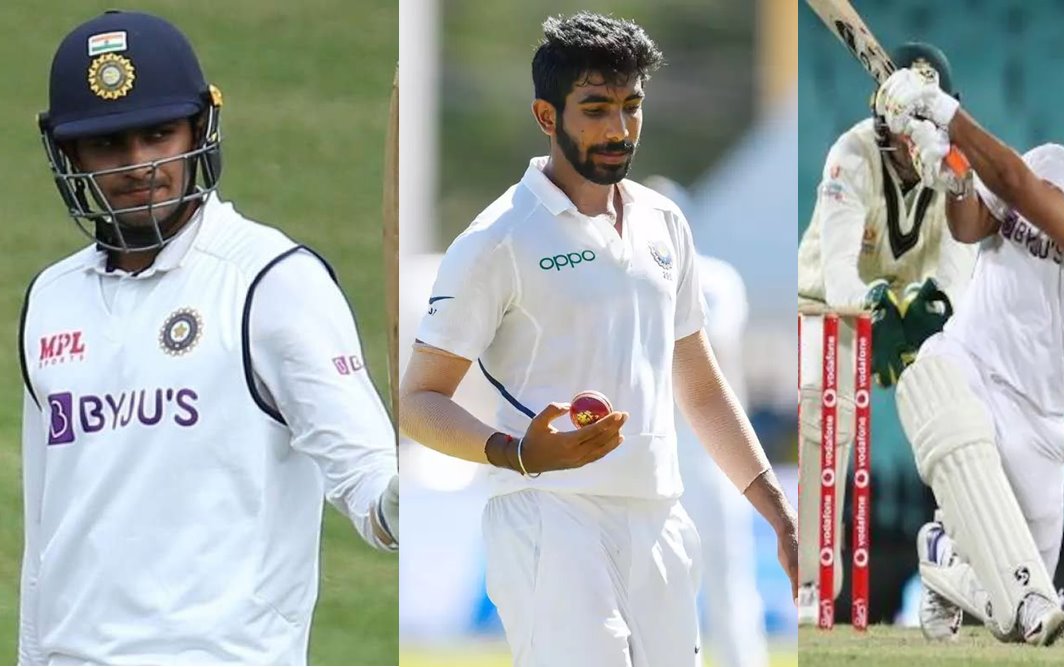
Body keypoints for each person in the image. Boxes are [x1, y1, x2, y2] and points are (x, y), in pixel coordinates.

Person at [395, 12, 798, 667]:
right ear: (547, 116)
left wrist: (776, 510)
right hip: (549, 519)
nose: (618, 128)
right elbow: (418, 399)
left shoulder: (666, 224)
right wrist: (518, 451)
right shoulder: (497, 239)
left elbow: (698, 384)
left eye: (631, 106)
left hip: (659, 517)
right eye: (596, 108)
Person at [20, 11, 399, 665]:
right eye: (108, 143)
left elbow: (371, 491)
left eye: (158, 134)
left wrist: (405, 490)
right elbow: (43, 536)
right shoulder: (51, 300)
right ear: (69, 153)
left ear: (199, 127)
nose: (139, 164)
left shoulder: (273, 282)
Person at [875, 65, 1064, 645]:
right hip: (967, 363)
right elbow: (971, 228)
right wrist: (954, 179)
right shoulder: (1047, 161)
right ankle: (950, 557)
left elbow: (1018, 188)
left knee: (1022, 616)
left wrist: (946, 115)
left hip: (1040, 424)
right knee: (930, 381)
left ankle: (942, 555)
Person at [794, 42, 977, 623]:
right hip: (830, 309)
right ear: (884, 115)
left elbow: (955, 285)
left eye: (926, 121)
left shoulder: (957, 167)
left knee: (964, 405)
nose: (911, 140)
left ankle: (958, 571)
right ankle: (811, 592)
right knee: (827, 424)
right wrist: (884, 309)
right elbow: (842, 277)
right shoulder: (850, 154)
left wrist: (928, 315)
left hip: (911, 310)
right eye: (905, 124)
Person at [644, 176, 769, 667]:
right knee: (659, 582)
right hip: (656, 447)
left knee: (727, 577)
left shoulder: (715, 278)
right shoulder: (627, 278)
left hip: (712, 451)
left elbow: (697, 349)